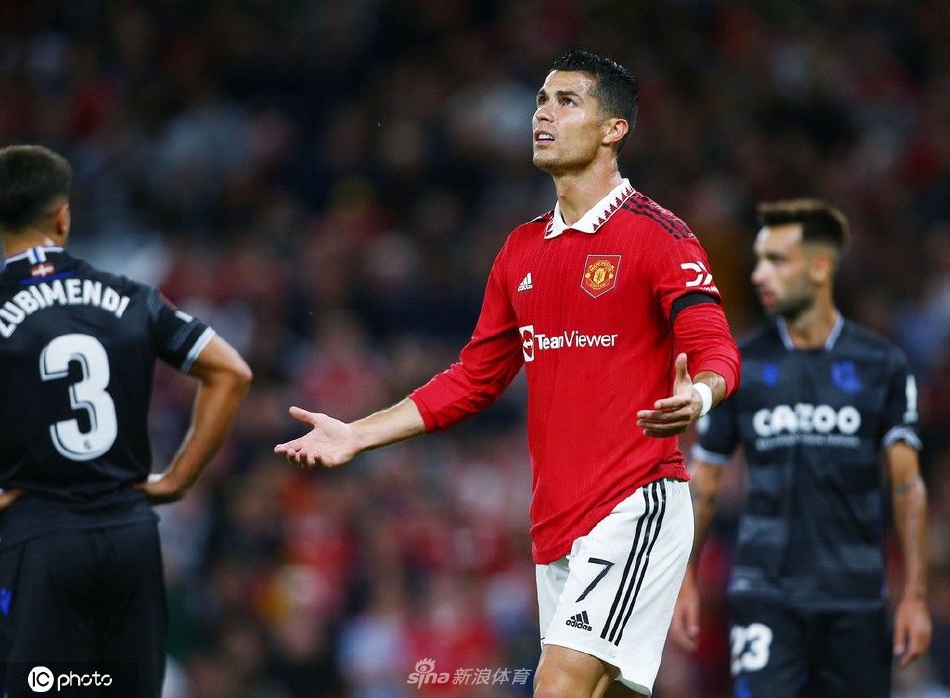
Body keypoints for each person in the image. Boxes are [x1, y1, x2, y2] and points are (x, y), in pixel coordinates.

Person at [276, 50, 741, 698]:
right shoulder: (521, 250)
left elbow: (717, 349)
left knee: (556, 687)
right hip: (554, 525)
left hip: (634, 505)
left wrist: (700, 396)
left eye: (567, 101)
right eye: (541, 100)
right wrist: (358, 434)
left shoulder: (660, 237)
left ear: (614, 129)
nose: (543, 114)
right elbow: (474, 378)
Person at [0, 144, 252, 697]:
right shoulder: (130, 297)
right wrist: (178, 479)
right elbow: (231, 372)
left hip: (39, 538)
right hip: (128, 535)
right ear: (62, 216)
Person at [670, 199, 932, 697]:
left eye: (776, 260)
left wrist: (914, 595)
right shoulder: (741, 364)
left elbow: (907, 484)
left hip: (855, 597)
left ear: (819, 268)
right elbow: (705, 479)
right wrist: (686, 578)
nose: (759, 275)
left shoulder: (881, 364)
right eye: (758, 261)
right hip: (764, 592)